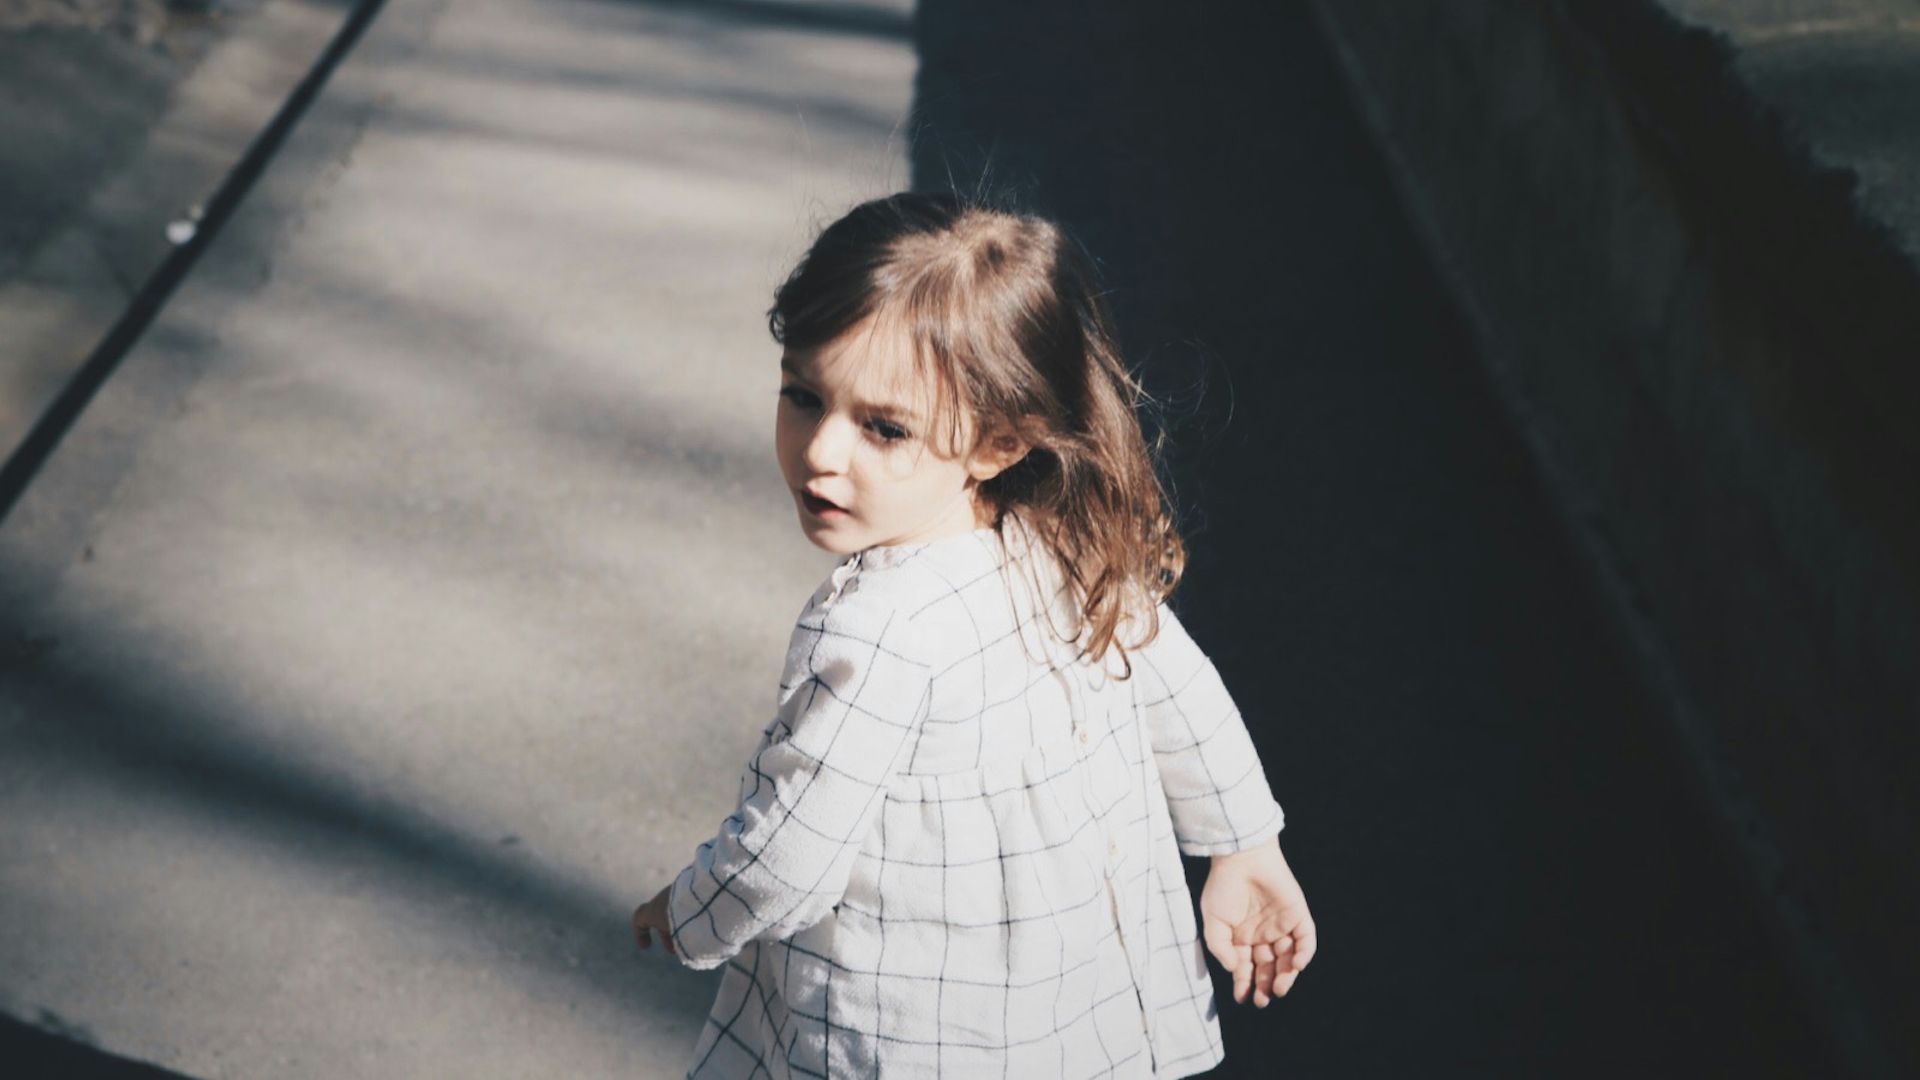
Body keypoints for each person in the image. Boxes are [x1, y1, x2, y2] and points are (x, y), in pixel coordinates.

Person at [631, 191, 1316, 1077]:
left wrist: (689, 913)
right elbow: (1182, 695)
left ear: (997, 442)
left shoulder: (874, 628)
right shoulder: (1059, 546)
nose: (822, 452)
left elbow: (790, 851)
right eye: (804, 396)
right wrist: (1244, 845)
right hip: (1072, 1017)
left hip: (916, 1029)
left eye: (884, 428)